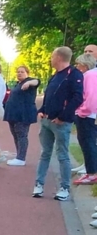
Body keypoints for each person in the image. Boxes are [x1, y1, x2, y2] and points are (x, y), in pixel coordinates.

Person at [33, 46, 85, 200]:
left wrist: (63, 116)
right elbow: (49, 95)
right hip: (47, 120)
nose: (50, 59)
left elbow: (78, 98)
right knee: (45, 153)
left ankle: (64, 188)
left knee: (62, 155)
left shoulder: (74, 75)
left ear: (59, 58)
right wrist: (42, 109)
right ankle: (39, 184)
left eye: (52, 56)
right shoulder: (54, 76)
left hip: (61, 122)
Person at [3, 64, 40, 166]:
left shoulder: (29, 82)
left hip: (23, 115)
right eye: (18, 72)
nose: (19, 73)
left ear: (27, 73)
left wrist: (29, 83)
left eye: (22, 72)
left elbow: (37, 81)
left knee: (22, 135)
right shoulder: (17, 84)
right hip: (13, 114)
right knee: (15, 135)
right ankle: (18, 156)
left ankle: (21, 158)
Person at [73, 51, 97, 185]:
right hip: (89, 114)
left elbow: (92, 97)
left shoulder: (89, 75)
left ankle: (92, 173)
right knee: (88, 143)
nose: (77, 67)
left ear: (85, 65)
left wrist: (82, 111)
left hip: (87, 116)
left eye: (78, 64)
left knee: (87, 143)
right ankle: (91, 171)